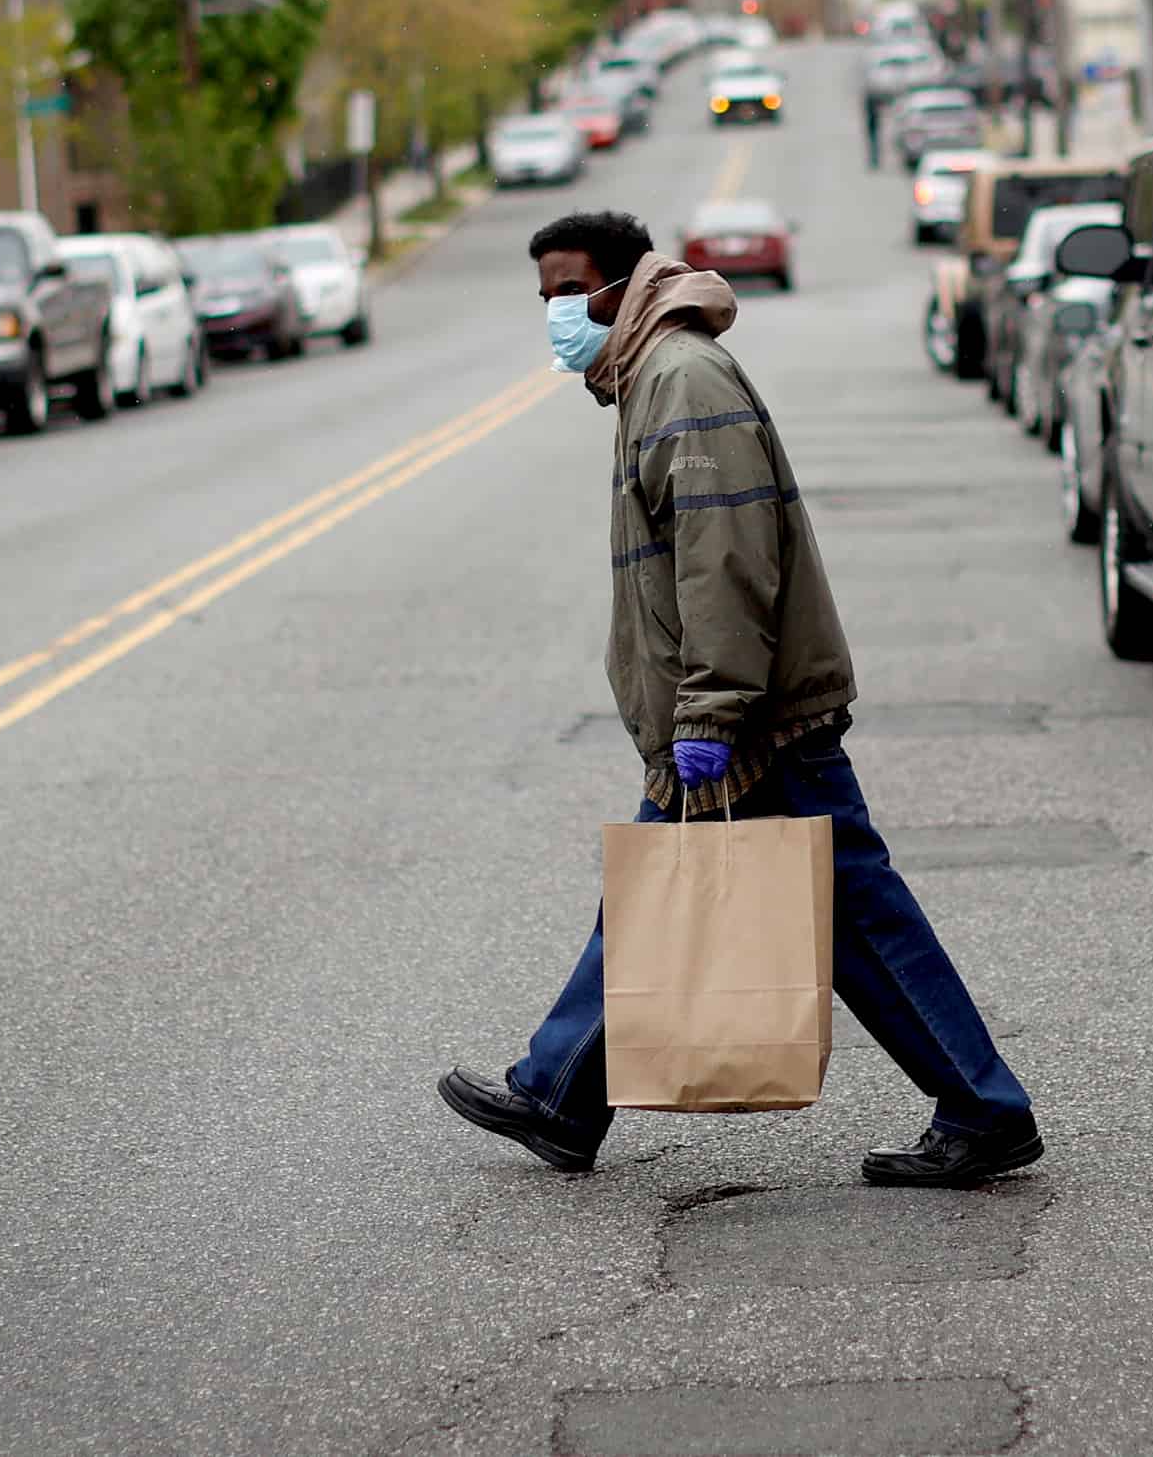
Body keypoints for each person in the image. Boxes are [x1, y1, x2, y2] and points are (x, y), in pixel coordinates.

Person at [438, 211, 1038, 1188]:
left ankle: (984, 1105)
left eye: (569, 289)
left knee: (850, 915)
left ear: (625, 286)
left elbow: (727, 562)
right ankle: (561, 1094)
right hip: (726, 709)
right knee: (688, 901)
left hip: (749, 719)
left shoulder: (679, 379)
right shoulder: (647, 375)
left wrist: (711, 715)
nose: (554, 311)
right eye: (541, 294)